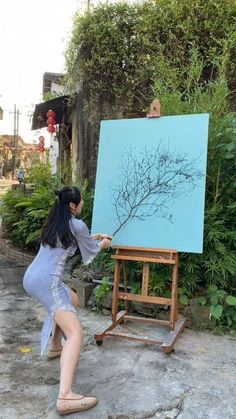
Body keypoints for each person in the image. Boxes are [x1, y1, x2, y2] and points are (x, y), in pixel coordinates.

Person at [23, 186, 112, 415]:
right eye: (81, 201)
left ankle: (54, 347)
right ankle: (65, 396)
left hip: (32, 277)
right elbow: (90, 255)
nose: (83, 203)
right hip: (48, 283)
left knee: (71, 299)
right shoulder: (77, 224)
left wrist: (92, 238)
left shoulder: (56, 222)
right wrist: (102, 244)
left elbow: (74, 242)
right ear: (73, 205)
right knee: (76, 333)